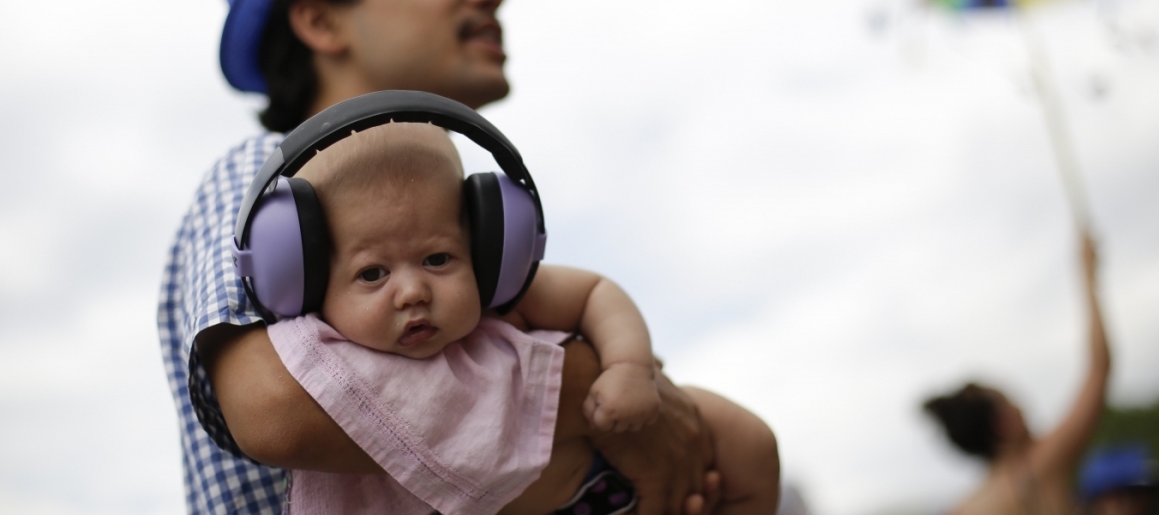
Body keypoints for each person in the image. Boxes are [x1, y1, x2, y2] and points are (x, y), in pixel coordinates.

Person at [157, 0, 720, 513]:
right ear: (320, 20)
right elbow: (275, 406)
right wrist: (603, 400)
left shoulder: (453, 212)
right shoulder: (263, 174)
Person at [268, 121, 779, 515]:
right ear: (310, 282)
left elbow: (596, 292)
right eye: (373, 273)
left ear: (486, 246)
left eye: (438, 258)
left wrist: (628, 367)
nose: (413, 291)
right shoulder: (322, 360)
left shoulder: (504, 297)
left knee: (746, 439)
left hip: (607, 466)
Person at [922, 231, 1111, 515]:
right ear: (1005, 423)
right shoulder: (1042, 465)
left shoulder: (963, 509)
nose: (1024, 409)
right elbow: (1099, 368)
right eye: (1014, 403)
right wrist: (1087, 274)